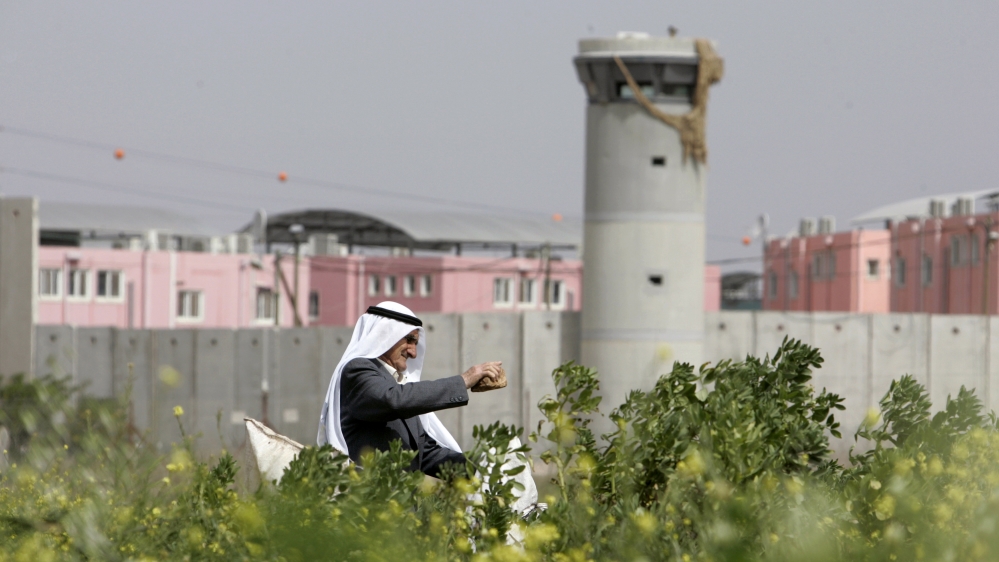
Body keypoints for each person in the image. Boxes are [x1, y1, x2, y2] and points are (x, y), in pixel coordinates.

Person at [318, 301, 502, 477]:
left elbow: (426, 454)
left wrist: (484, 468)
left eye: (416, 343)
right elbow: (393, 400)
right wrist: (464, 380)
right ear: (385, 333)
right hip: (367, 504)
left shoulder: (399, 387)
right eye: (409, 340)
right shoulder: (357, 371)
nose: (413, 352)